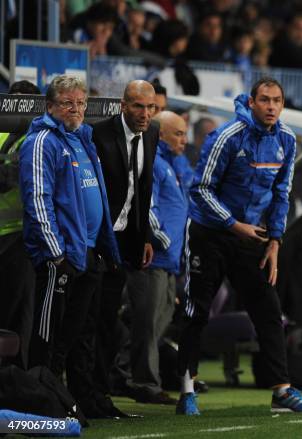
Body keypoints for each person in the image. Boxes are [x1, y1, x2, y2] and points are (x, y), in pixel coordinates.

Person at [176, 77, 302, 415]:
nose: (271, 106)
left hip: (252, 237)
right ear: (252, 102)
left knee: (269, 310)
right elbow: (200, 190)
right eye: (265, 100)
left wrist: (276, 241)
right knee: (196, 311)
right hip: (210, 234)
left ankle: (281, 390)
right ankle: (186, 391)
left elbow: (282, 193)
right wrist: (233, 224)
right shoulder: (226, 136)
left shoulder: (286, 139)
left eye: (277, 101)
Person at [19, 75, 120, 417]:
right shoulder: (42, 142)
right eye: (67, 103)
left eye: (80, 103)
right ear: (50, 106)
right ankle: (38, 403)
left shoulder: (83, 139)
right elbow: (37, 199)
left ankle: (65, 401)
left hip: (88, 253)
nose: (75, 109)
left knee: (73, 337)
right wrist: (55, 252)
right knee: (47, 334)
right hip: (60, 257)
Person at [91, 80, 158, 413]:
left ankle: (99, 393)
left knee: (110, 322)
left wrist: (144, 236)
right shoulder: (99, 135)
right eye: (138, 107)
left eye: (151, 108)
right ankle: (87, 393)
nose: (145, 114)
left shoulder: (153, 133)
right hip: (97, 240)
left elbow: (142, 189)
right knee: (95, 318)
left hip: (127, 241)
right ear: (123, 105)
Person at [125, 111, 190, 404]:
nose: (184, 140)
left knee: (156, 325)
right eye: (178, 133)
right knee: (148, 326)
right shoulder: (152, 161)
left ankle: (124, 370)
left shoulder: (173, 165)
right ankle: (145, 384)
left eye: (185, 134)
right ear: (160, 134)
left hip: (169, 263)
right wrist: (162, 240)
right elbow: (146, 205)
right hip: (153, 259)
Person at [0, 80, 40, 369]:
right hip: (8, 236)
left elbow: (8, 179)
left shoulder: (34, 139)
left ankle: (17, 381)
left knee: (18, 316)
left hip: (19, 238)